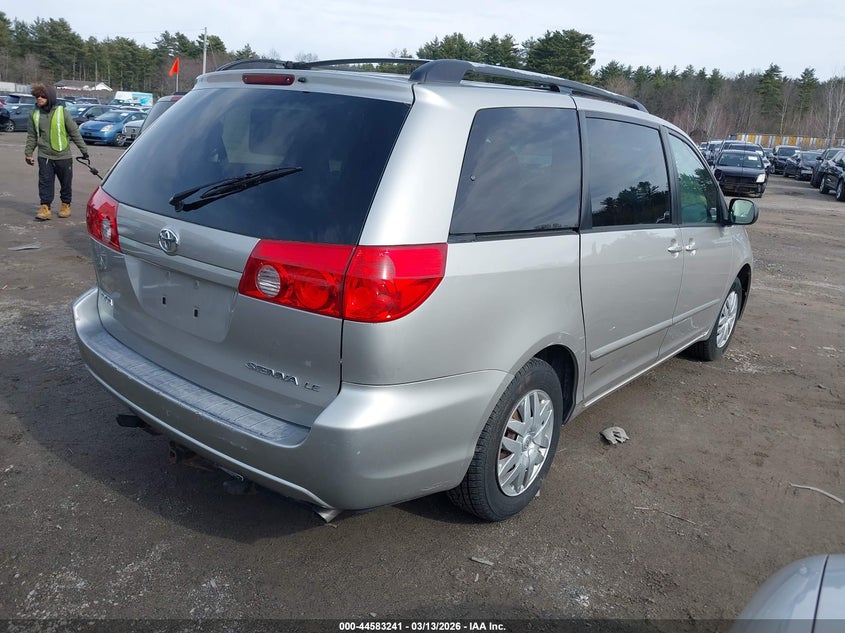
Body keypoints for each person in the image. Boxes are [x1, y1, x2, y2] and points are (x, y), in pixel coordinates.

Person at [24, 83, 89, 221]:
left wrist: (84, 150)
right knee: (45, 183)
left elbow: (74, 132)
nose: (39, 98)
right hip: (44, 155)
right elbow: (32, 136)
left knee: (65, 183)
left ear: (50, 98)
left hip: (63, 156)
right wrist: (28, 153)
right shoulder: (34, 114)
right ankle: (45, 207)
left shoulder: (62, 112)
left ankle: (65, 205)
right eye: (37, 96)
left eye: (43, 96)